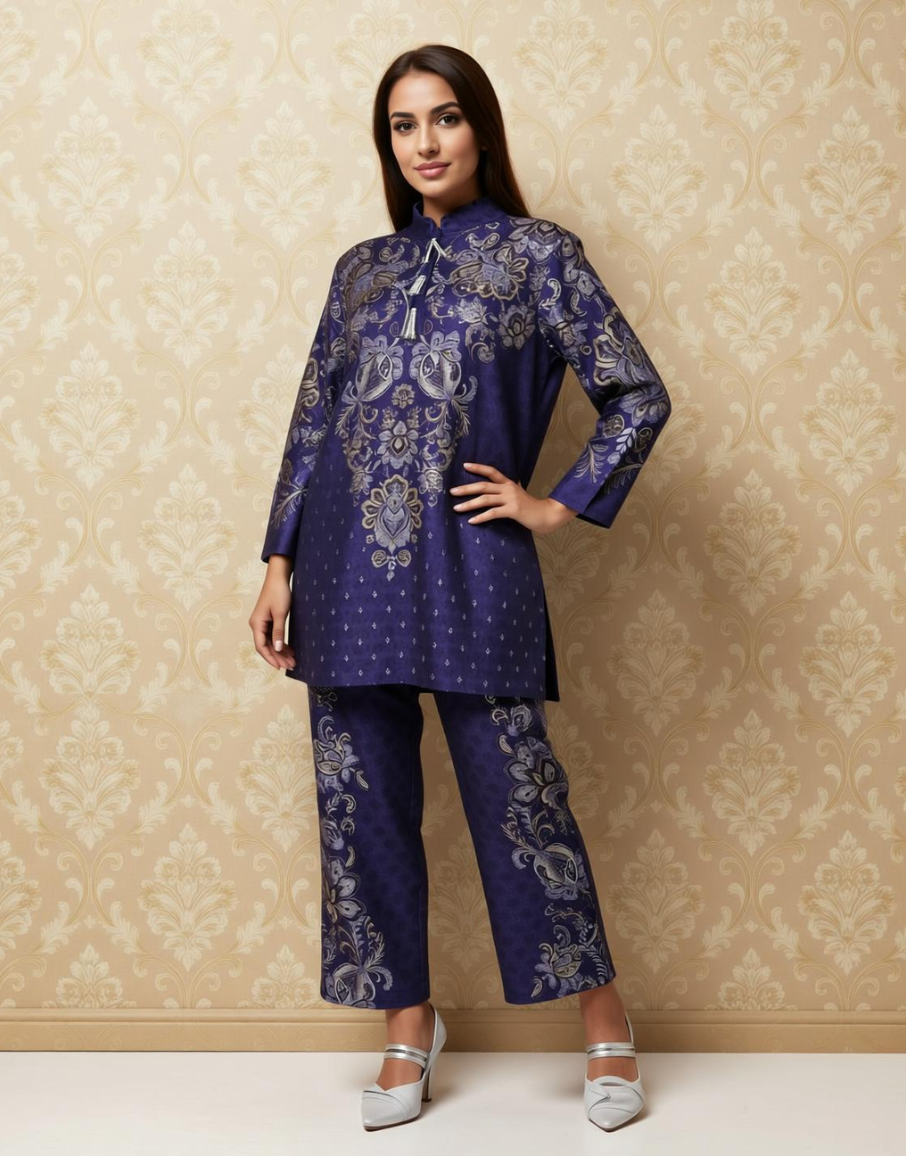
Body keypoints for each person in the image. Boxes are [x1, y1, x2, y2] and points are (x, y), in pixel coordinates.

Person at [249, 44, 671, 1133]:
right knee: (362, 805)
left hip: (474, 562)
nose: (425, 142)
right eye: (403, 125)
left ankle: (604, 1019)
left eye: (444, 118)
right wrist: (278, 561)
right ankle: (407, 1024)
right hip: (344, 569)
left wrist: (554, 504)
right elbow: (314, 419)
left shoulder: (538, 255)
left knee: (520, 795)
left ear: (480, 127)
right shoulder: (361, 270)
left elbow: (636, 392)